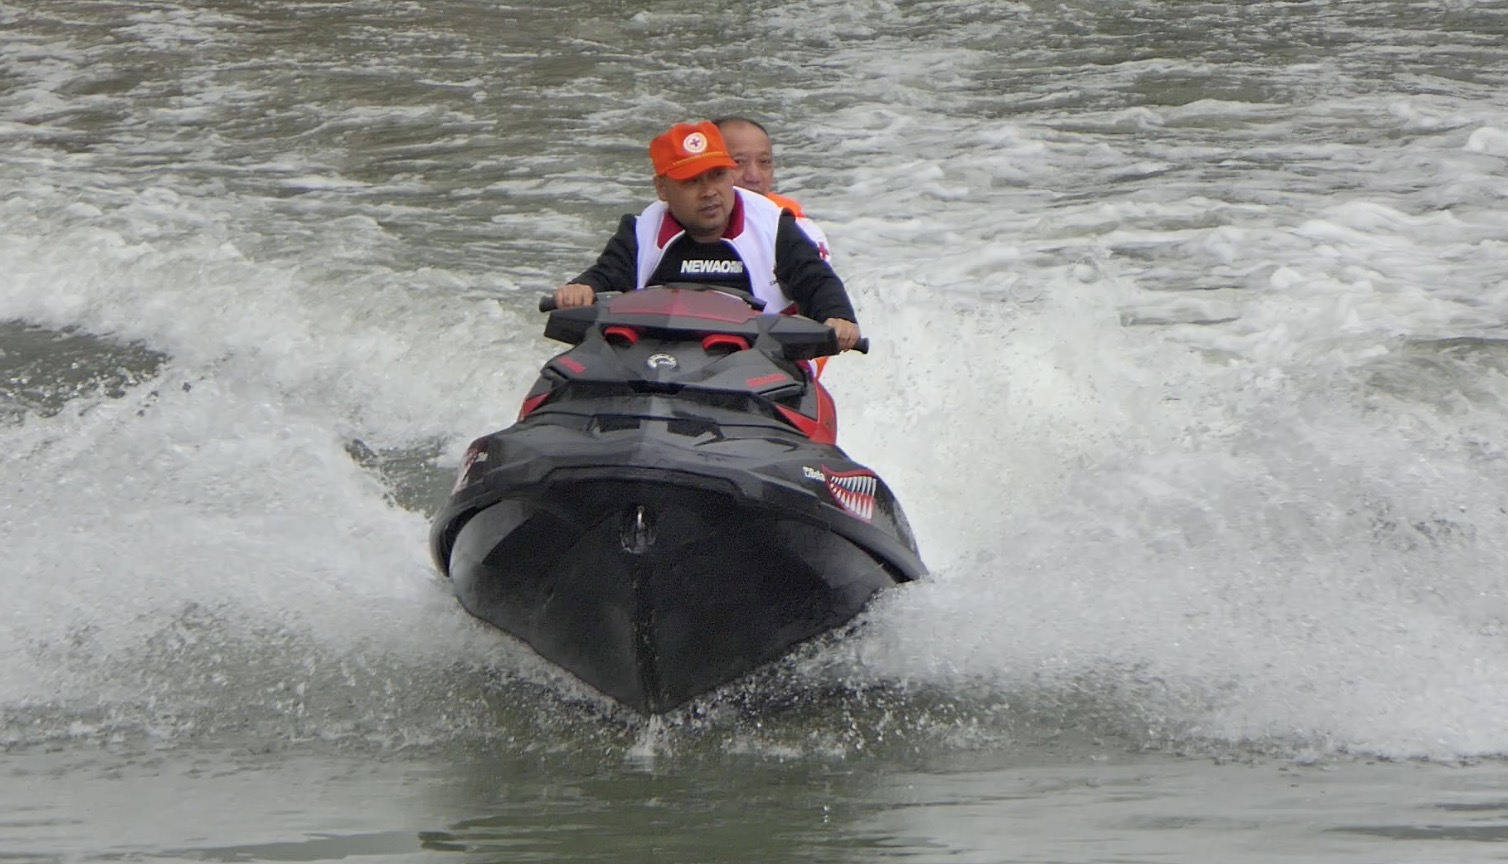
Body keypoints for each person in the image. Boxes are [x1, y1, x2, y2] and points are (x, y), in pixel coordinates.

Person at [554, 120, 860, 350]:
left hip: (760, 363)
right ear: (662, 189)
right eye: (692, 182)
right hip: (655, 362)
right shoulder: (640, 230)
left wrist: (838, 317)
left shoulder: (774, 225)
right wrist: (580, 289)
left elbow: (816, 280)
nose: (710, 192)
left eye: (717, 175)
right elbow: (605, 274)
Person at [713, 116, 832, 262]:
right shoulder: (683, 224)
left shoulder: (798, 229)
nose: (754, 176)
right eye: (738, 162)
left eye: (764, 162)